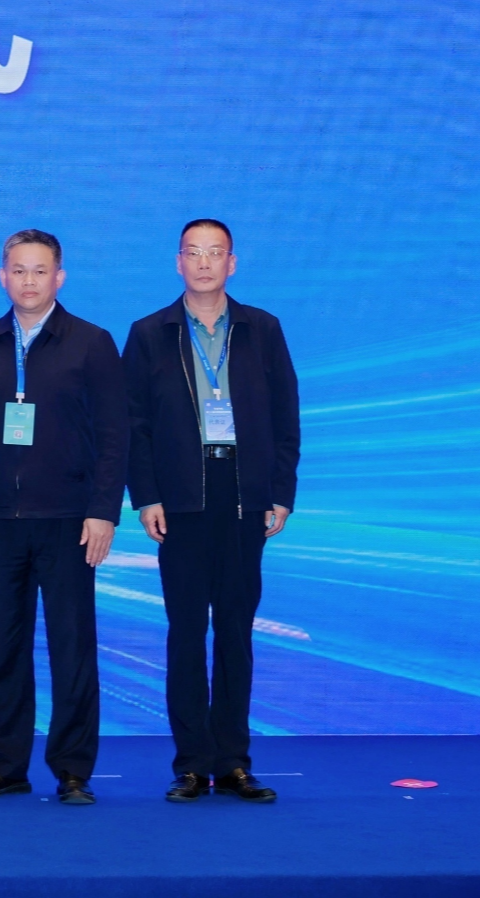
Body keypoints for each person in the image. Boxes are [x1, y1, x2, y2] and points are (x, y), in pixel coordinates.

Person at [124, 219, 299, 804]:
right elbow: (134, 425)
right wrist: (146, 496)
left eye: (215, 253)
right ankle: (192, 765)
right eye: (193, 253)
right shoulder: (150, 333)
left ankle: (234, 763)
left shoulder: (261, 329)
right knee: (185, 633)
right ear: (178, 262)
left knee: (235, 632)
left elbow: (285, 417)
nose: (204, 263)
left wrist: (280, 491)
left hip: (244, 495)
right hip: (180, 499)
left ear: (232, 263)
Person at [0, 229, 127, 806]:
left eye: (39, 270)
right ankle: (5, 767)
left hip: (69, 520)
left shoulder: (92, 343)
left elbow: (114, 436)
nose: (28, 281)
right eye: (18, 270)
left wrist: (103, 512)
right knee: (2, 647)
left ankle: (73, 770)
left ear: (60, 277)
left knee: (71, 646)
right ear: (1, 277)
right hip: (0, 519)